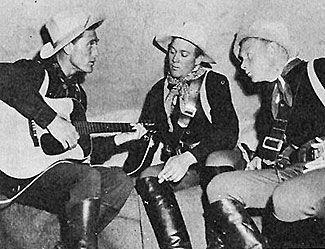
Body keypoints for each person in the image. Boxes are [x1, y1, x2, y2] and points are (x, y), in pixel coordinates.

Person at [0, 8, 147, 249]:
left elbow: (79, 153)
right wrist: (51, 120)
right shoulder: (37, 73)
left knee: (119, 179)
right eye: (91, 44)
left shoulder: (78, 97)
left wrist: (118, 141)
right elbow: (2, 77)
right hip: (17, 172)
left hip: (52, 173)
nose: (96, 52)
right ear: (68, 47)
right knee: (86, 177)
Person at [204, 19, 325, 249]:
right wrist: (260, 158)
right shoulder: (270, 101)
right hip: (293, 171)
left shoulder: (318, 71)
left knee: (287, 197)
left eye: (248, 55)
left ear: (272, 48)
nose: (242, 66)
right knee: (218, 187)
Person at [123, 21, 239, 249]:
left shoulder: (214, 82)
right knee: (148, 177)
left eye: (184, 54)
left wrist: (188, 158)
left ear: (198, 60)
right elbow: (145, 141)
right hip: (183, 166)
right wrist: (128, 173)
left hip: (213, 162)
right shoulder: (159, 91)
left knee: (217, 162)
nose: (174, 59)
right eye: (172, 52)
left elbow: (228, 133)